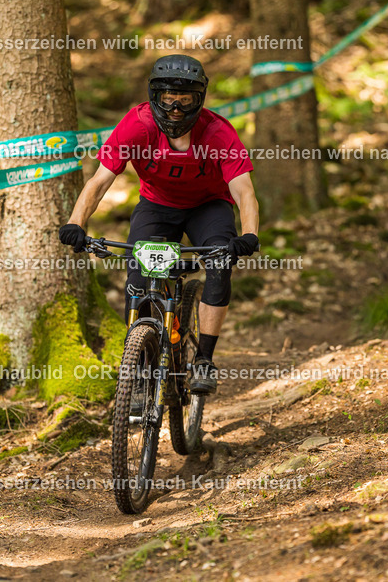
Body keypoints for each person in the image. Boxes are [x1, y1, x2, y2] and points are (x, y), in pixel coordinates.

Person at [58, 54, 259, 394]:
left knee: (219, 263)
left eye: (186, 101)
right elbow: (99, 182)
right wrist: (76, 223)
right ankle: (138, 365)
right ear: (155, 96)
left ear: (200, 100)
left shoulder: (218, 132)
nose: (176, 110)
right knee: (137, 280)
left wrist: (249, 234)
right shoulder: (137, 126)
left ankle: (204, 360)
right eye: (169, 100)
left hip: (208, 206)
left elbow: (244, 192)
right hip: (157, 206)